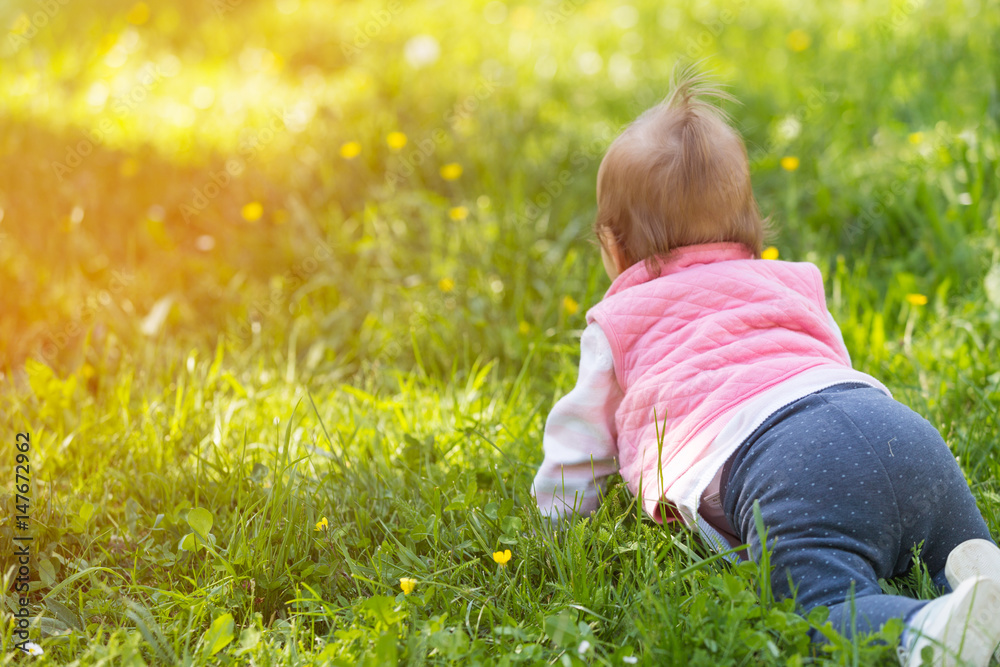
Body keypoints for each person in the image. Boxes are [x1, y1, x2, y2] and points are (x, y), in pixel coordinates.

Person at [530, 70, 1000, 666]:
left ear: (614, 247)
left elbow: (578, 443)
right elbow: (826, 361)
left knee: (822, 609)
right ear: (749, 223)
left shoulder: (619, 319)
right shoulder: (790, 280)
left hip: (791, 467)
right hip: (896, 428)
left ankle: (929, 629)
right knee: (957, 539)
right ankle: (976, 565)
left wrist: (559, 525)